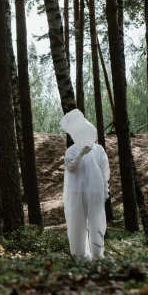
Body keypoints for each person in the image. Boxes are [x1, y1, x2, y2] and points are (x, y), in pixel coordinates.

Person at [61, 109, 110, 259]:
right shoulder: (71, 150)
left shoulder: (99, 150)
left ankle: (97, 254)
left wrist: (105, 189)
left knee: (97, 222)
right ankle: (79, 254)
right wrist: (81, 154)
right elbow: (70, 167)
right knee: (77, 223)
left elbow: (104, 171)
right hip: (77, 191)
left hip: (95, 190)